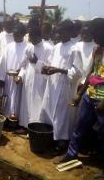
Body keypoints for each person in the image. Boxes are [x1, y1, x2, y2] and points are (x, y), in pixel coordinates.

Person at [54, 18, 104, 179]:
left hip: (103, 100)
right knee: (79, 128)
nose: (92, 36)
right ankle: (71, 153)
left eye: (94, 33)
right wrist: (80, 93)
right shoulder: (97, 49)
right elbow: (91, 72)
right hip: (90, 95)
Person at [40, 20, 83, 155]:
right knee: (49, 110)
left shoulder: (74, 49)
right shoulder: (56, 46)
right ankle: (51, 137)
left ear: (70, 33)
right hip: (52, 84)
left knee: (62, 115)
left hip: (64, 87)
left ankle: (62, 141)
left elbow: (77, 72)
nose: (59, 34)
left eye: (62, 31)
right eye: (58, 31)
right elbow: (51, 62)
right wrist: (47, 68)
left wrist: (59, 70)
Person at [17, 26, 53, 133]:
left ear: (40, 36)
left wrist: (37, 62)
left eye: (32, 37)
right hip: (28, 80)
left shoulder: (48, 48)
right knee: (27, 103)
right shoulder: (28, 48)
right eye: (30, 37)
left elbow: (50, 66)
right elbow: (24, 65)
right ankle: (25, 126)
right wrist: (20, 75)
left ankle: (35, 130)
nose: (30, 39)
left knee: (37, 104)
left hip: (40, 82)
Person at [0, 23, 27, 119]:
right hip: (8, 79)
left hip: (19, 79)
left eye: (17, 35)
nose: (14, 37)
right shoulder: (9, 46)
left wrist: (21, 73)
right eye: (14, 34)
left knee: (18, 99)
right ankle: (7, 117)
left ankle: (17, 119)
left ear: (23, 34)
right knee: (8, 97)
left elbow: (26, 65)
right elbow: (4, 62)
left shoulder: (27, 47)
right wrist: (1, 78)